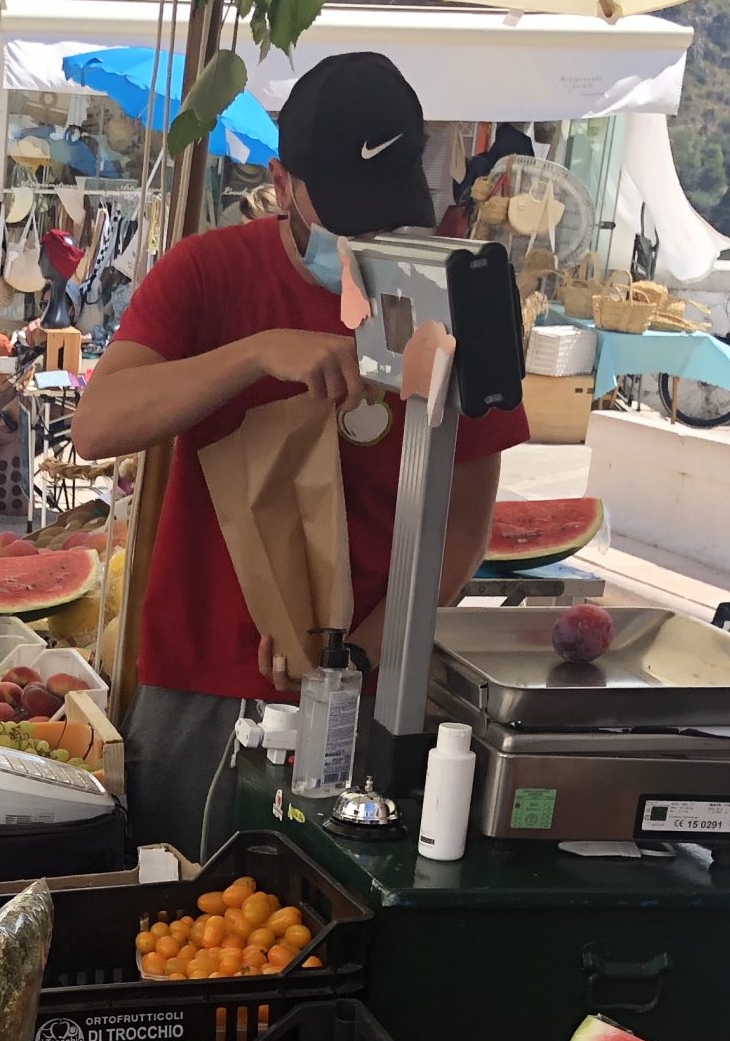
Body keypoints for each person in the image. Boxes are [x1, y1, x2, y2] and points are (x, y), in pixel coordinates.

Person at [73, 50, 527, 863]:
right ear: (282, 185)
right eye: (347, 213)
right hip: (199, 683)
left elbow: (463, 526)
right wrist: (255, 354)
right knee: (184, 914)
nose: (367, 237)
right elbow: (98, 425)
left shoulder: (456, 294)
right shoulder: (208, 273)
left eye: (388, 210)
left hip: (373, 696)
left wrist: (348, 665)